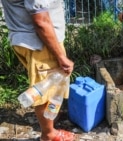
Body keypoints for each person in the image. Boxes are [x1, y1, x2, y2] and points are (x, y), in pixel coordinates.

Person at [2, 1, 75, 141]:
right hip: (41, 43)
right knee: (44, 91)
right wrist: (61, 56)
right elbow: (40, 21)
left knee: (48, 87)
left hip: (27, 38)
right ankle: (48, 134)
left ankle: (50, 124)